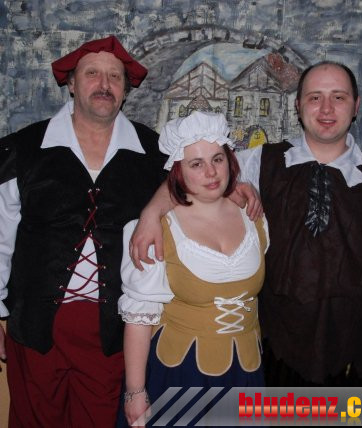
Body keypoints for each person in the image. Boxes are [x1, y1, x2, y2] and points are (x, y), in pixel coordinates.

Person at [130, 61, 362, 388]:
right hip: (278, 343)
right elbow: (190, 178)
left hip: (354, 341)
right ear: (298, 106)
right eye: (315, 97)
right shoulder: (260, 162)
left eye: (339, 97)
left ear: (356, 106)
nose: (326, 108)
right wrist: (150, 214)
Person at [0, 35, 169, 427]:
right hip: (37, 322)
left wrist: (238, 188)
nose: (104, 84)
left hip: (114, 327)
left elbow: (202, 186)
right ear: (71, 83)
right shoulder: (27, 148)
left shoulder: (155, 153)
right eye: (92, 74)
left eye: (115, 76)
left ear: (125, 90)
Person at [119, 111, 268, 427]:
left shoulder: (253, 216)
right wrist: (135, 391)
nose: (211, 172)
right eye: (196, 164)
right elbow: (139, 320)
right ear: (178, 170)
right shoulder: (157, 229)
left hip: (245, 373)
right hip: (180, 373)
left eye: (217, 159)